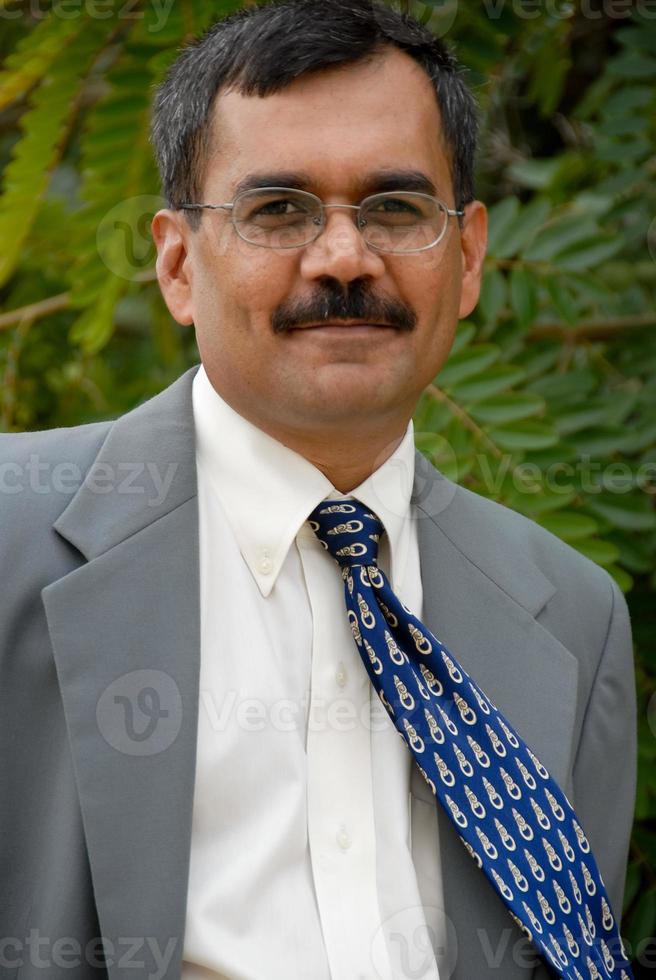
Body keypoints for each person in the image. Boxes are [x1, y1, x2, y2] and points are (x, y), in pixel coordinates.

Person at [0, 1, 637, 978]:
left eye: (394, 208)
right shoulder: (11, 531)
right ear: (176, 263)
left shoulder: (573, 616)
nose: (343, 258)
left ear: (465, 256)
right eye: (277, 210)